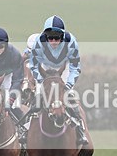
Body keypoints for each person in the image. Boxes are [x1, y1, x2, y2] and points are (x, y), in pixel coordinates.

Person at [26, 15, 88, 146]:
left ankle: (81, 130)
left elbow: (75, 66)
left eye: (57, 37)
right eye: (50, 37)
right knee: (36, 99)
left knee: (70, 98)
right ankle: (25, 131)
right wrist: (41, 81)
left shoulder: (71, 42)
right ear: (45, 36)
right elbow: (33, 65)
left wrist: (68, 84)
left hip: (63, 68)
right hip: (44, 68)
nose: (54, 41)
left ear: (63, 35)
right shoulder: (38, 42)